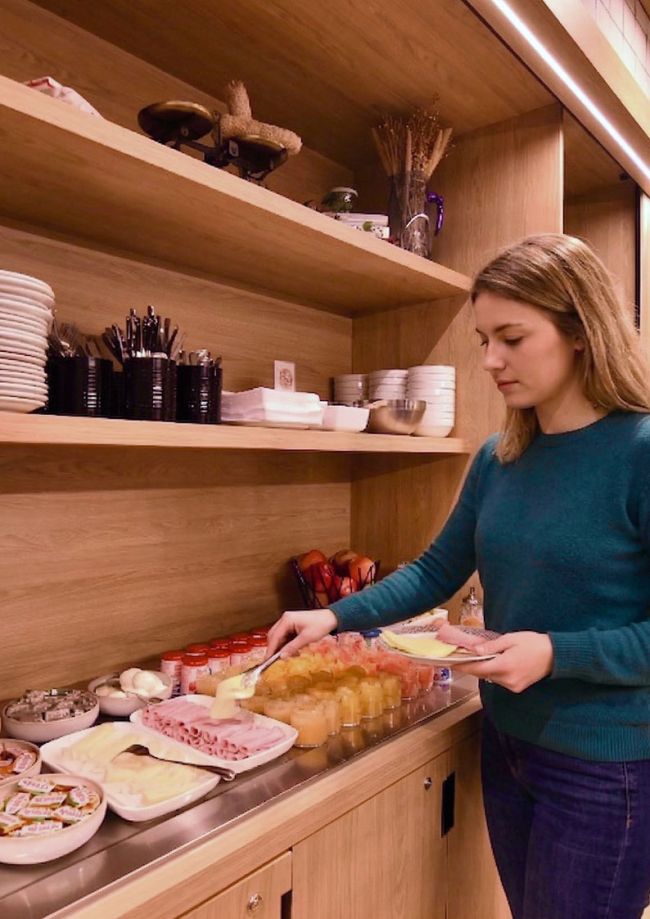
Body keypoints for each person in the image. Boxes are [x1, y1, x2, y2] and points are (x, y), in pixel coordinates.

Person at [267, 234, 650, 919]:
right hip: (506, 745)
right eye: (483, 338)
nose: (488, 360)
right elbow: (435, 569)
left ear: (580, 332)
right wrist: (332, 616)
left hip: (605, 767)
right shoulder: (498, 458)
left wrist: (558, 652)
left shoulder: (640, 453)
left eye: (511, 337)